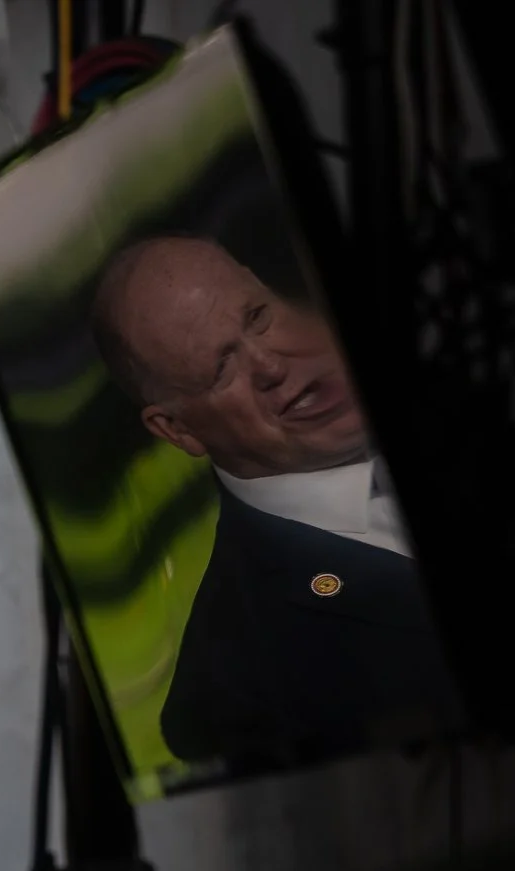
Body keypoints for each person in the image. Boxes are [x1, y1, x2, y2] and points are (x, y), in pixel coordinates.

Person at [88, 233, 457, 764]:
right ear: (177, 430)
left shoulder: (468, 367)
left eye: (258, 316)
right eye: (222, 368)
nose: (271, 365)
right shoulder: (231, 687)